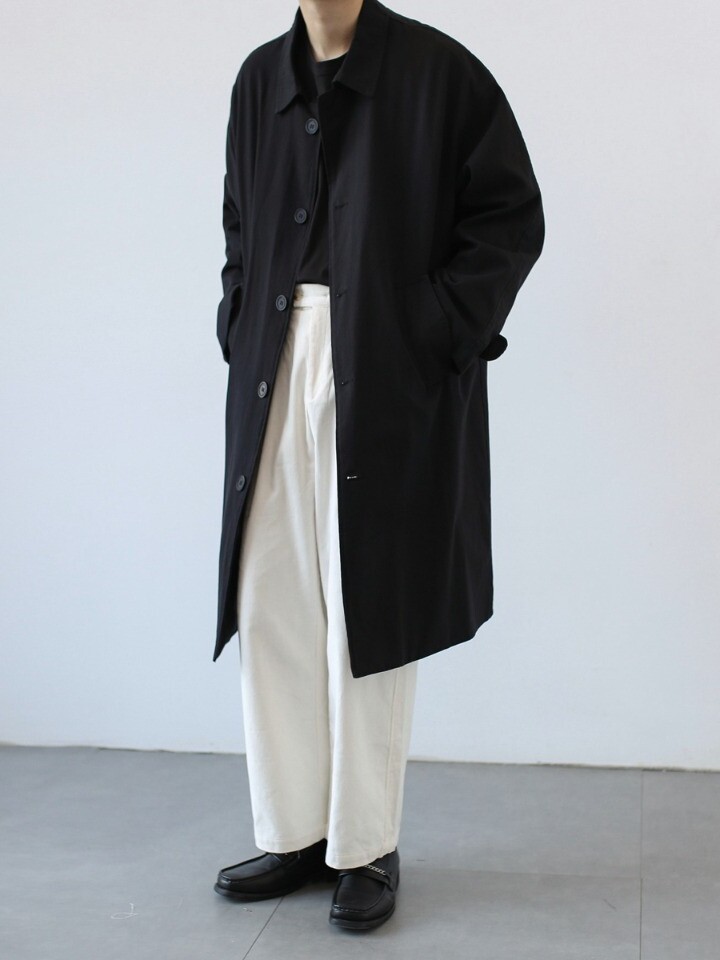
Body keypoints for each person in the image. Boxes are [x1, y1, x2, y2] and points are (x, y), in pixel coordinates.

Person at [211, 0, 545, 932]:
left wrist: (435, 329)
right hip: (276, 356)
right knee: (269, 597)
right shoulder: (260, 80)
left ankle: (364, 845)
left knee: (368, 604)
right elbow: (238, 220)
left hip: (383, 363)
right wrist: (239, 318)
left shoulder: (440, 74)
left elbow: (510, 217)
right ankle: (293, 831)